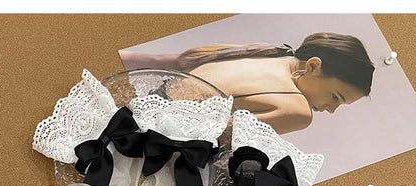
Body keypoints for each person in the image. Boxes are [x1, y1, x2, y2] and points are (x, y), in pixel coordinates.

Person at [121, 32, 375, 134]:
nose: (331, 110)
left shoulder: (274, 51)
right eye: (335, 97)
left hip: (146, 97)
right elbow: (218, 137)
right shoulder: (299, 111)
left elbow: (185, 60)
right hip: (156, 133)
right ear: (313, 66)